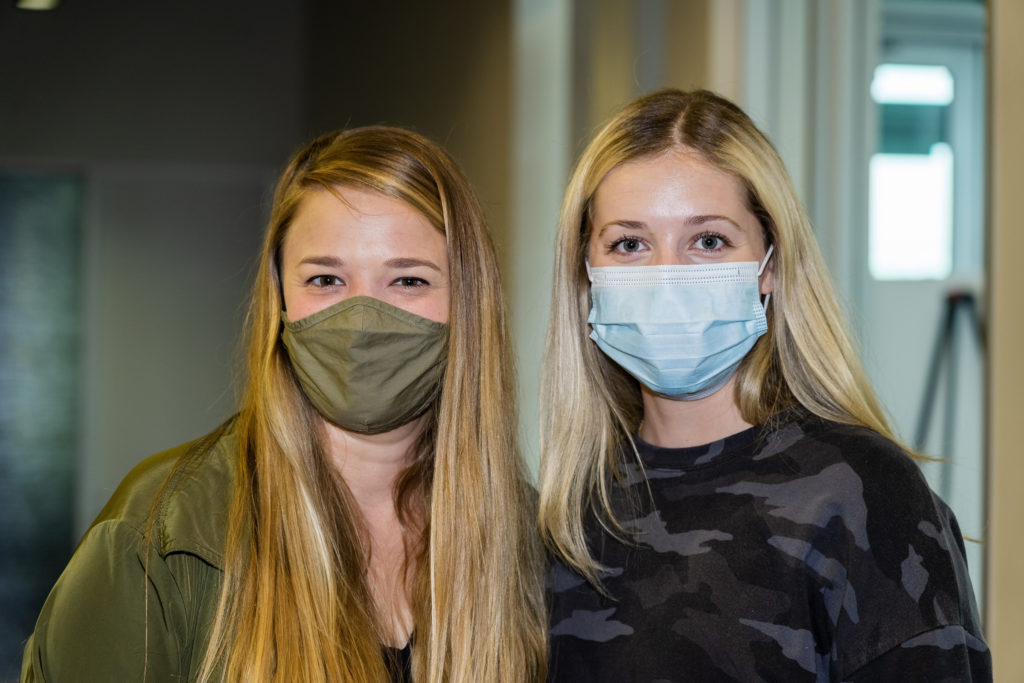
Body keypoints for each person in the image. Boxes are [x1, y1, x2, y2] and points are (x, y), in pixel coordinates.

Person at [22, 126, 547, 682]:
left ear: (468, 302)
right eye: (326, 279)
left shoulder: (529, 545)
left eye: (408, 281)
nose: (362, 318)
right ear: (281, 303)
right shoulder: (158, 534)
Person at [539, 89, 991, 682]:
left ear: (769, 265)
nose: (667, 277)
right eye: (630, 244)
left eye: (708, 241)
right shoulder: (569, 515)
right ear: (586, 274)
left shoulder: (861, 495)